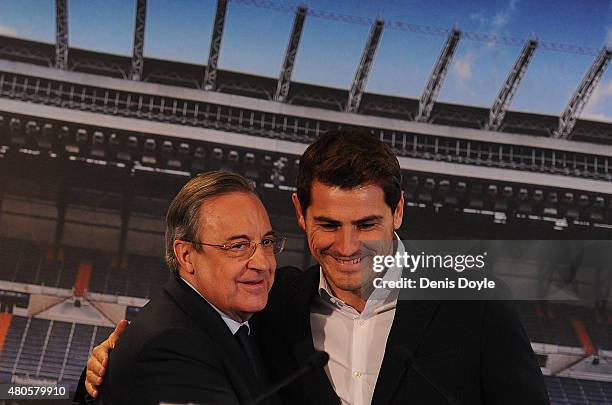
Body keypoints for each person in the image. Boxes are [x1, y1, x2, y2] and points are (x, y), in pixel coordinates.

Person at [81, 130, 550, 404]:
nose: (347, 247)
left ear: (399, 211)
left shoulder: (476, 303)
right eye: (327, 224)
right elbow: (185, 318)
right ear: (301, 213)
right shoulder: (275, 302)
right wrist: (105, 368)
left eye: (367, 224)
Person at [76, 171, 285, 405]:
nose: (262, 262)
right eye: (238, 246)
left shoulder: (251, 310)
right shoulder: (169, 347)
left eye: (266, 242)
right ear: (186, 256)